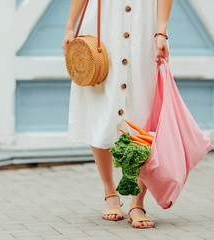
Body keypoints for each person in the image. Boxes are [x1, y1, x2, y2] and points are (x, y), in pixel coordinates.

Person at [62, 0, 172, 228]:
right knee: (101, 107)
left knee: (143, 111)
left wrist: (161, 31)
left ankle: (137, 202)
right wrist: (70, 25)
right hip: (104, 27)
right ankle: (109, 192)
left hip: (144, 28)